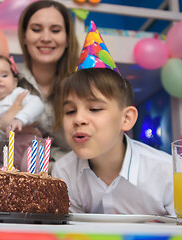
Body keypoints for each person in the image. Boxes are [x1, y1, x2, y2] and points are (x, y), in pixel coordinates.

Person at [52, 21, 174, 216]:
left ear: (126, 118)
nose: (79, 119)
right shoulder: (63, 173)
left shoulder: (168, 171)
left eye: (94, 108)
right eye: (70, 111)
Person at [0, 0, 79, 173]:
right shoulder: (4, 79)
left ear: (68, 38)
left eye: (55, 30)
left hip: (72, 177)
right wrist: (4, 125)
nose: (46, 38)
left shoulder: (81, 83)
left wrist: (55, 167)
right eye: (36, 29)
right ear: (24, 36)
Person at [0, 55, 45, 170]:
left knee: (30, 169)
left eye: (4, 75)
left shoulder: (17, 94)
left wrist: (20, 119)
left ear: (14, 82)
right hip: (4, 152)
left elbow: (37, 103)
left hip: (29, 143)